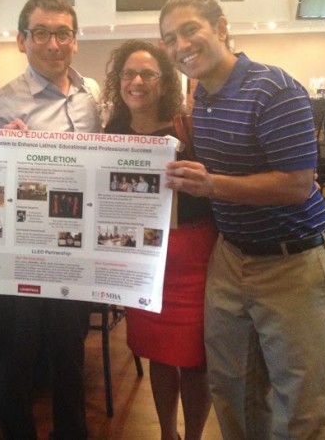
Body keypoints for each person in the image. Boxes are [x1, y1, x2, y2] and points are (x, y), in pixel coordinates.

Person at [159, 0, 325, 439]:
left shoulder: (273, 88)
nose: (180, 45)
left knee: (301, 401)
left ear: (221, 27)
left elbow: (298, 185)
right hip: (231, 257)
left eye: (190, 30)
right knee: (231, 386)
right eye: (168, 39)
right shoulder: (201, 97)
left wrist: (213, 185)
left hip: (292, 262)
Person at [0, 0, 100, 440]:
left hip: (74, 254)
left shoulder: (92, 95)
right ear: (22, 40)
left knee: (71, 357)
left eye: (63, 33)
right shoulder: (2, 104)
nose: (54, 44)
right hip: (19, 257)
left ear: (75, 39)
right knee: (17, 360)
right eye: (42, 33)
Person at [102, 39, 216, 440]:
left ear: (164, 80)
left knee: (196, 358)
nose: (137, 81)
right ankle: (168, 434)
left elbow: (222, 179)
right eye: (129, 73)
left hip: (192, 258)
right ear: (118, 81)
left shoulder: (189, 128)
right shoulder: (111, 132)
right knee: (161, 355)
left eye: (148, 73)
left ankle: (194, 436)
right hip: (141, 258)